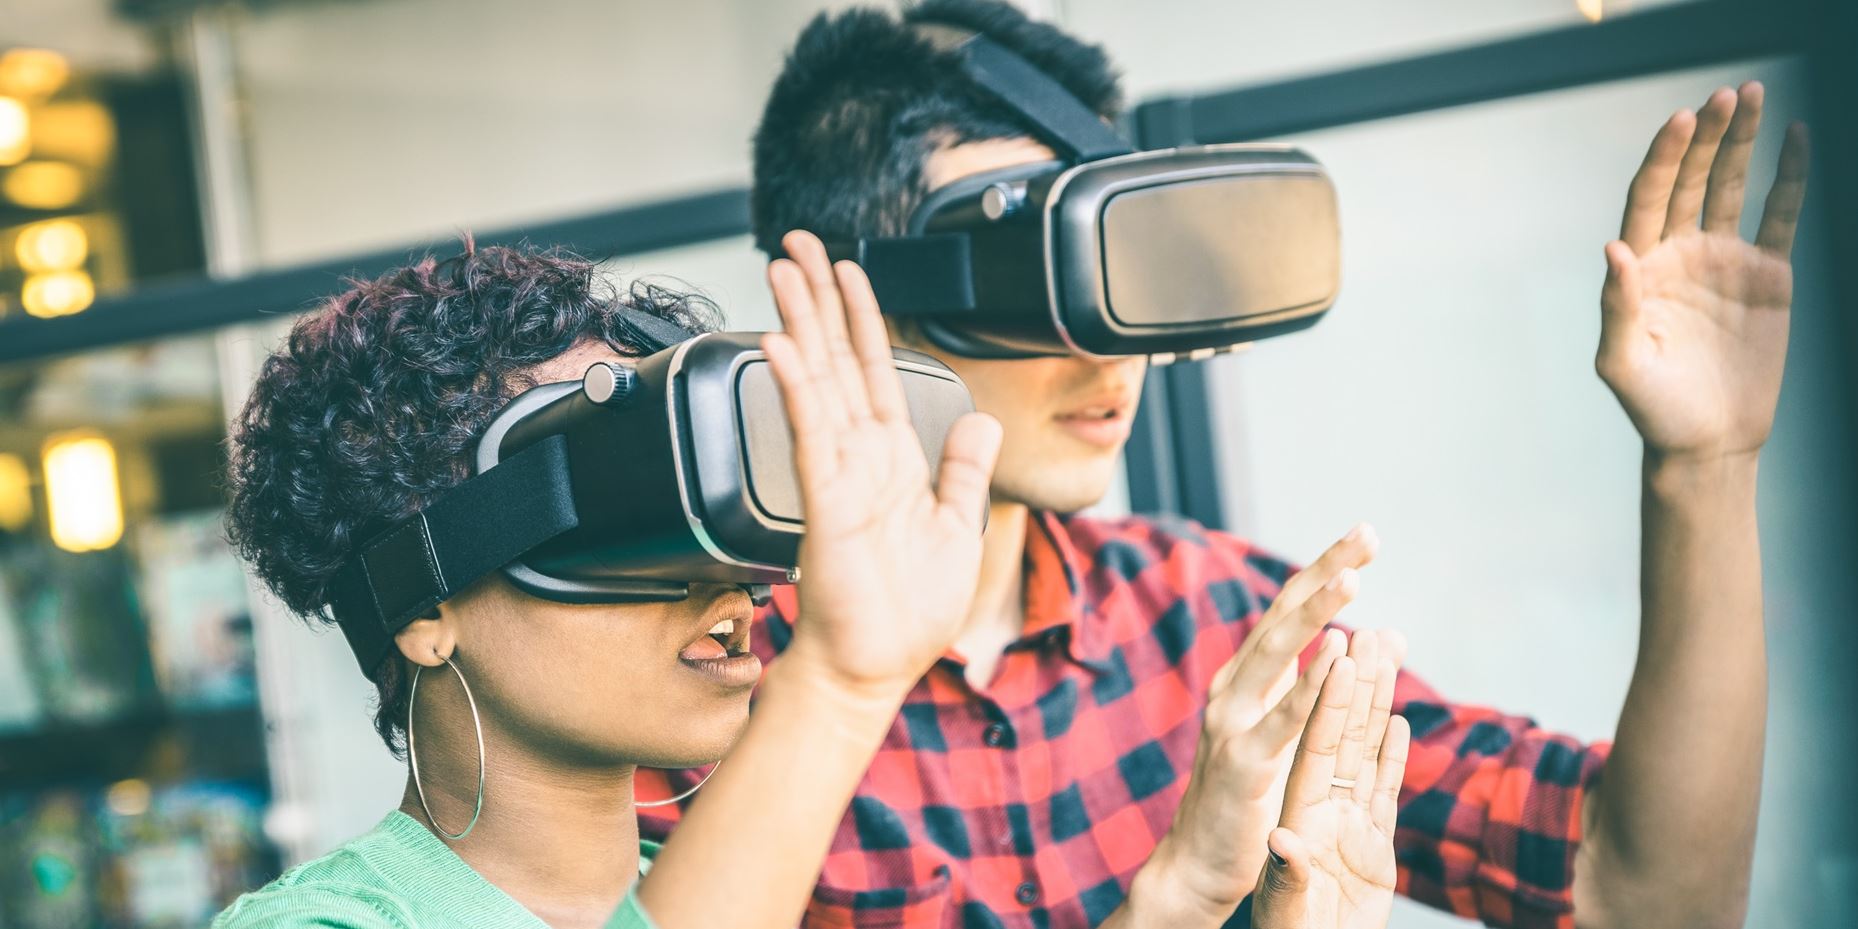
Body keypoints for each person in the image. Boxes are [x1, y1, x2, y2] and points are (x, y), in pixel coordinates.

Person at [637, 2, 1813, 928]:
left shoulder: (1214, 626)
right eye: (1042, 271)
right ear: (853, 294)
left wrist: (1703, 464)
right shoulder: (694, 685)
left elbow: (1645, 896)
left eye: (1126, 265)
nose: (1113, 354)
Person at [207, 235, 1413, 929]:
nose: (729, 582)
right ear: (422, 609)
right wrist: (839, 677)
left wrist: (1189, 891)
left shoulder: (738, 890)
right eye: (635, 517)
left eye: (725, 512)